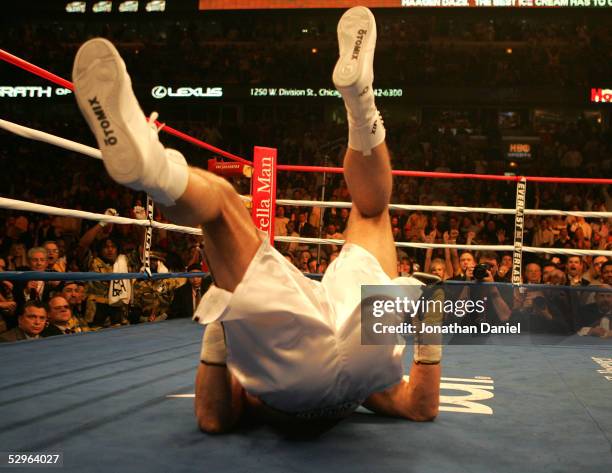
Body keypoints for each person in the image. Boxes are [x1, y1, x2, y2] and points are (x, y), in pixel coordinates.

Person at [72, 6, 441, 433]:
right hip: (351, 366)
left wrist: (227, 322)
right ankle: (360, 104)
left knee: (236, 205)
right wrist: (226, 310)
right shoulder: (374, 392)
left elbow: (215, 416)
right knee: (232, 209)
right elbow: (421, 406)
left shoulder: (302, 371)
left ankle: (155, 167)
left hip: (302, 375)